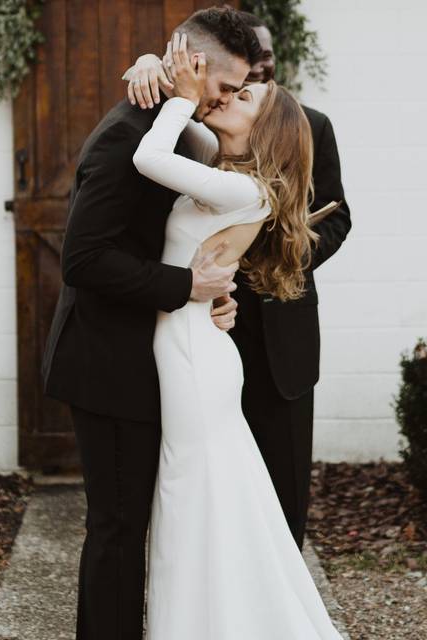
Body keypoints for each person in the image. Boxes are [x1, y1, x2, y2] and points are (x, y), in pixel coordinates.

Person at [40, 7, 263, 640]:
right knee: (116, 529)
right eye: (223, 85)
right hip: (107, 363)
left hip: (152, 357)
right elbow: (83, 259)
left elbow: (180, 238)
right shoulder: (124, 135)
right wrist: (184, 286)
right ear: (192, 65)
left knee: (136, 523)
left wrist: (211, 296)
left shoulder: (177, 132)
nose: (223, 100)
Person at [133, 30, 344, 638]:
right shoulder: (207, 134)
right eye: (243, 76)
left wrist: (247, 270)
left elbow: (334, 218)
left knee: (257, 500)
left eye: (256, 79)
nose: (246, 85)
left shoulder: (304, 127)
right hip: (209, 330)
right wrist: (156, 68)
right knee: (214, 496)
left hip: (263, 337)